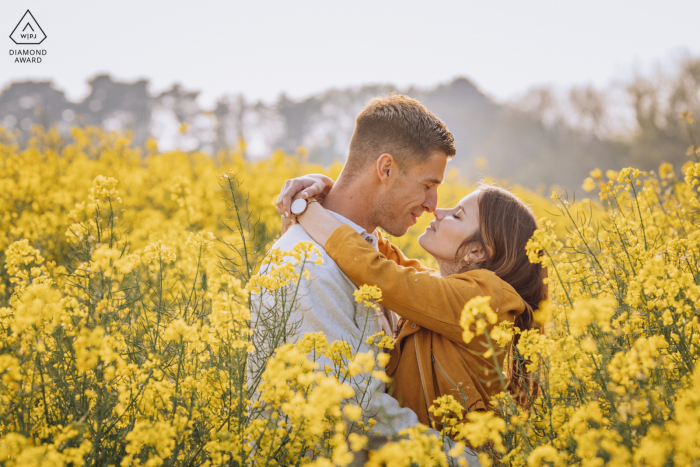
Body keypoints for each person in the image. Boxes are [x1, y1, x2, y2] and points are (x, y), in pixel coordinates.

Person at [254, 93, 459, 465]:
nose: (433, 204)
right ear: (385, 169)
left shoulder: (369, 254)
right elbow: (357, 410)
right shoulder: (307, 267)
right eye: (428, 184)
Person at [277, 176, 547, 427]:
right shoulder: (450, 294)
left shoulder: (488, 299)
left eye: (456, 215)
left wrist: (306, 207)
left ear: (477, 251)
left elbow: (378, 271)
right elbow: (382, 255)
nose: (438, 212)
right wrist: (330, 192)